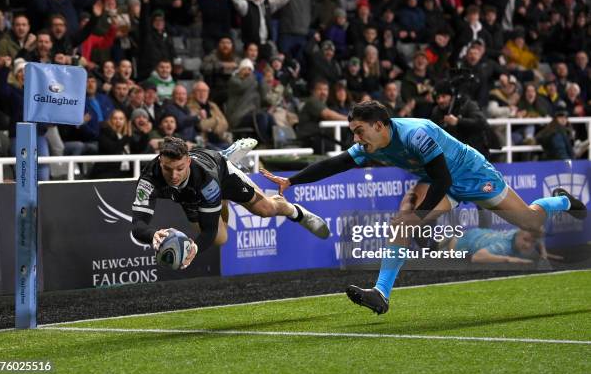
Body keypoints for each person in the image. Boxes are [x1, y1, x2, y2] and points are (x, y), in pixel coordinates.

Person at [260, 100, 587, 315]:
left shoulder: (416, 134)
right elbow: (339, 163)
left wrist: (421, 215)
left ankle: (560, 199)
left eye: (360, 131)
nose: (357, 139)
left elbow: (443, 179)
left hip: (472, 175)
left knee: (530, 222)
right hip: (439, 180)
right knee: (404, 222)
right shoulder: (371, 143)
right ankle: (381, 294)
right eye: (354, 132)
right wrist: (293, 181)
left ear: (380, 125)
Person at [131, 137, 330, 268]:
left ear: (188, 162)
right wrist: (152, 236)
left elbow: (208, 231)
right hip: (188, 196)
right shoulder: (148, 179)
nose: (174, 175)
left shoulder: (206, 180)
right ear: (159, 162)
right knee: (221, 239)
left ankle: (294, 211)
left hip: (221, 175)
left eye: (180, 168)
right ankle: (221, 194)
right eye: (167, 169)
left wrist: (194, 248)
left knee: (266, 209)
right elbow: (138, 225)